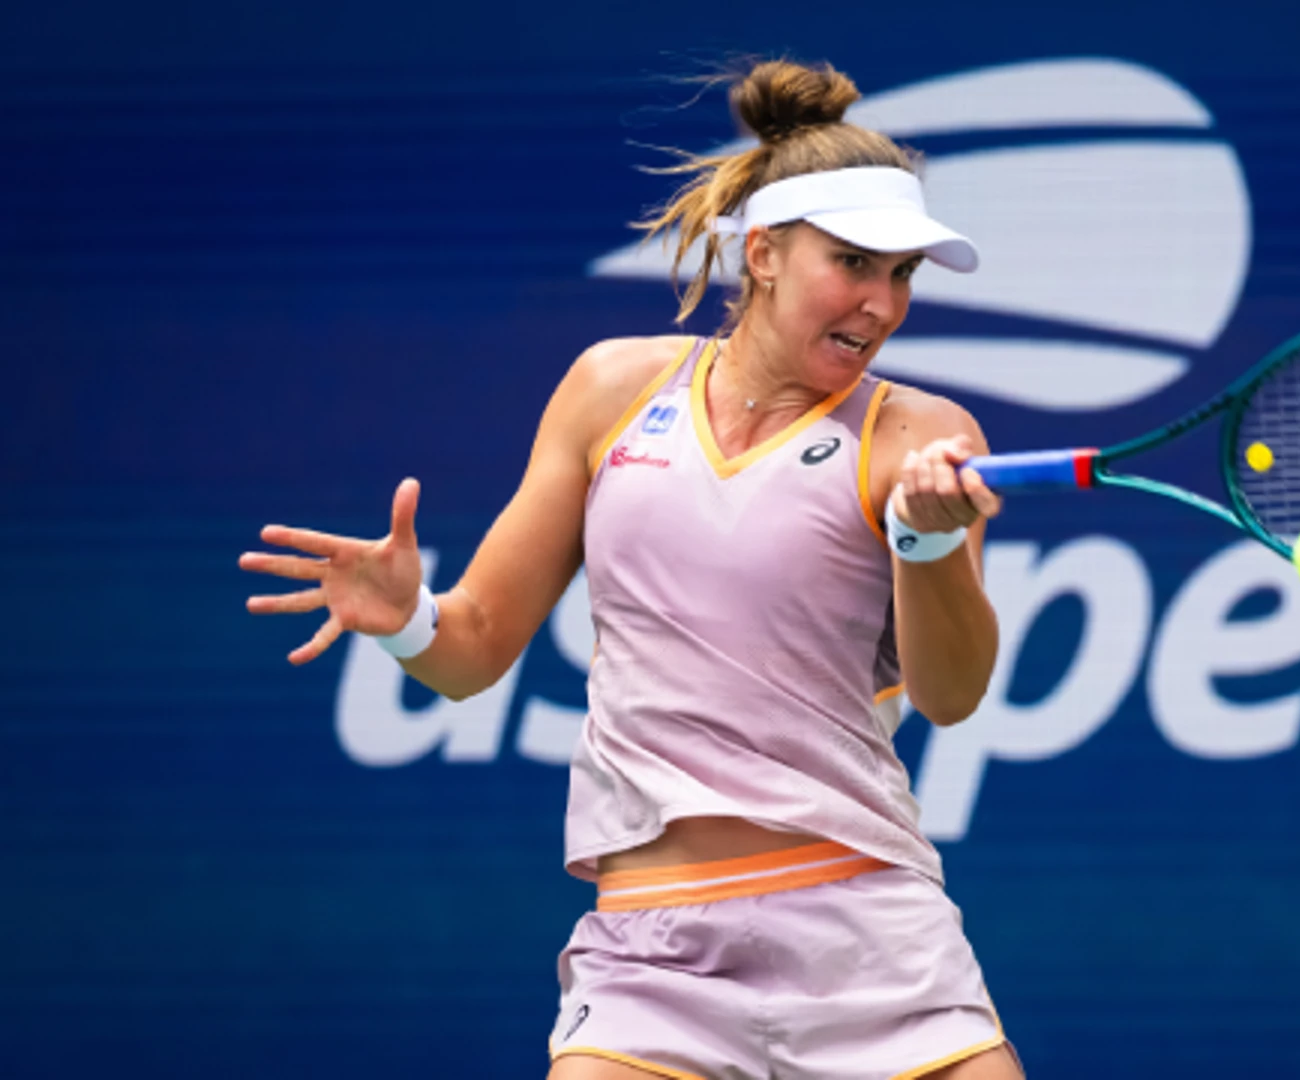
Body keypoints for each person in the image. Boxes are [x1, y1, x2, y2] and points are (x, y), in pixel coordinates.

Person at [240, 58, 1023, 1080]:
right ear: (766, 252)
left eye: (903, 276)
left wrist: (925, 541)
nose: (880, 304)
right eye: (853, 264)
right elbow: (471, 651)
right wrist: (405, 618)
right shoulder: (612, 390)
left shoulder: (917, 435)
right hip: (655, 959)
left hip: (869, 935)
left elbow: (952, 696)